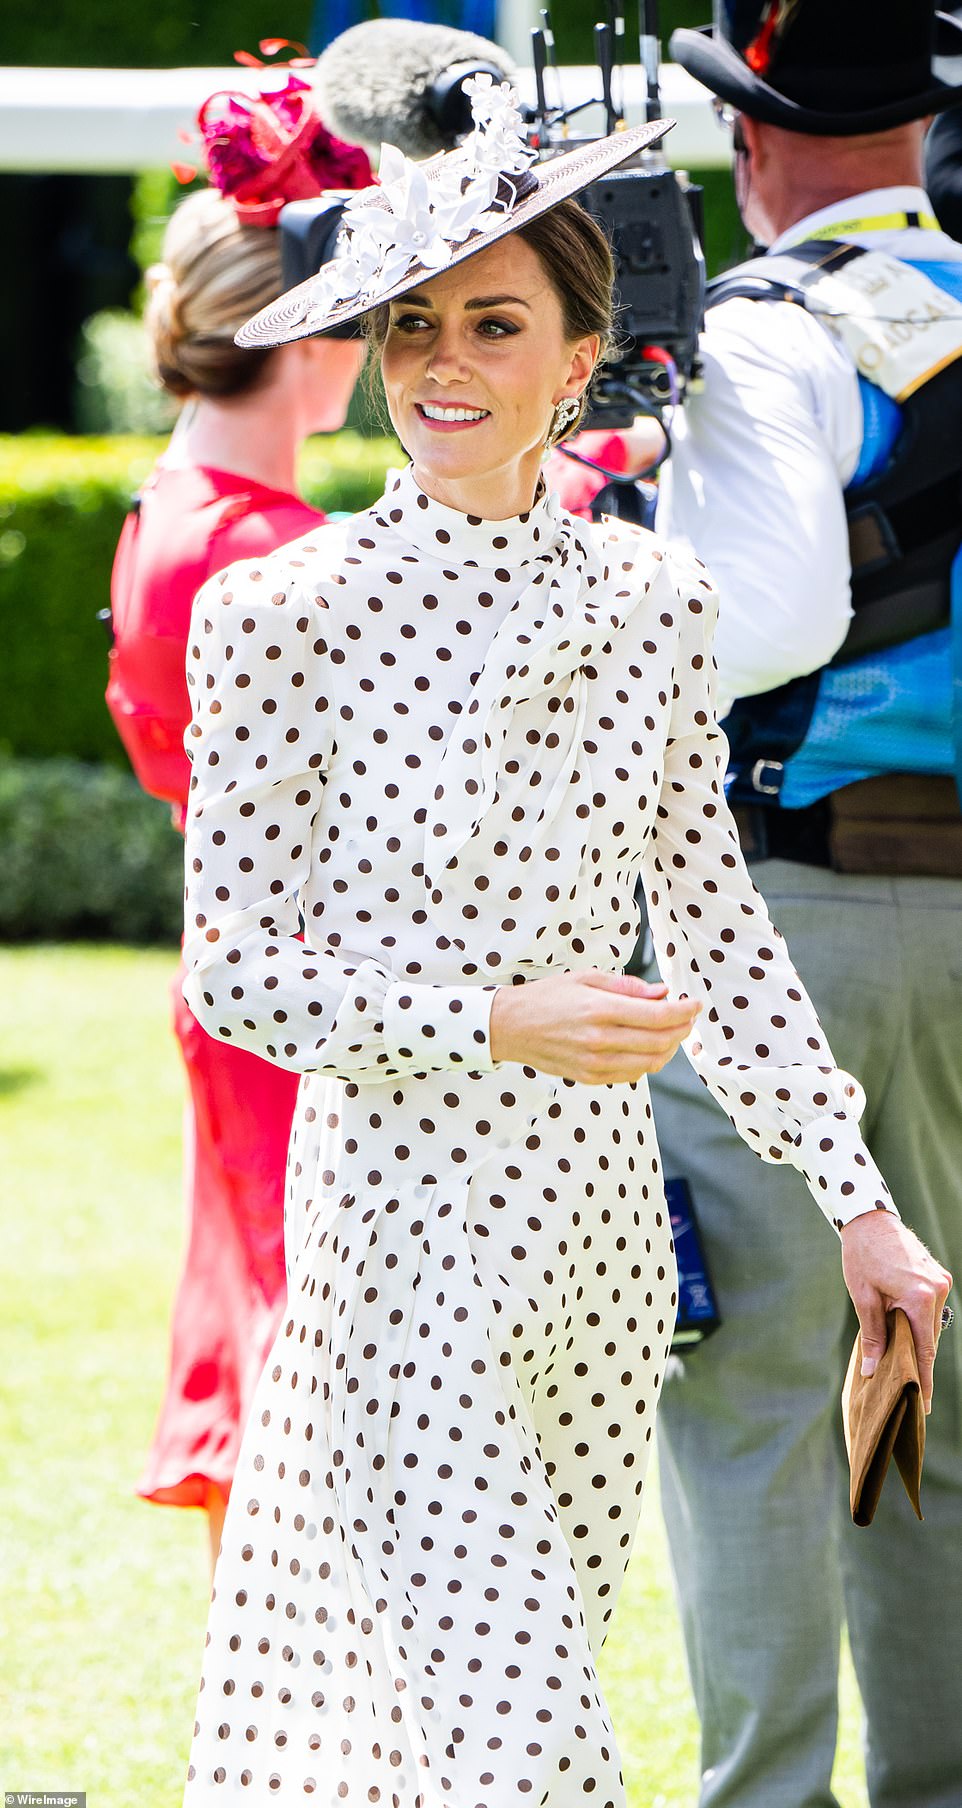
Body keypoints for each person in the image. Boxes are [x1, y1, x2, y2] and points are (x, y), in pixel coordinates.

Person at [176, 77, 950, 1805]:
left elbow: (718, 924)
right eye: (412, 327)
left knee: (458, 1736)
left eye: (492, 324)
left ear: (583, 353)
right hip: (399, 1227)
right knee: (534, 1755)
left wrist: (859, 1206)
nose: (440, 363)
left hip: (598, 1248)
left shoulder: (654, 599)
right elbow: (228, 968)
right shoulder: (282, 607)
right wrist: (488, 1016)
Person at [648, 5, 962, 1805]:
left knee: (765, 1397)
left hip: (794, 912)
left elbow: (756, 629)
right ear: (921, 134)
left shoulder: (756, 338)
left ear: (752, 147)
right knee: (940, 1389)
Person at [106, 60, 372, 1568]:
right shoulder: (272, 553)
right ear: (316, 338)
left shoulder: (168, 517)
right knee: (317, 1361)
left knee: (278, 1327)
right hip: (307, 990)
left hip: (229, 977)